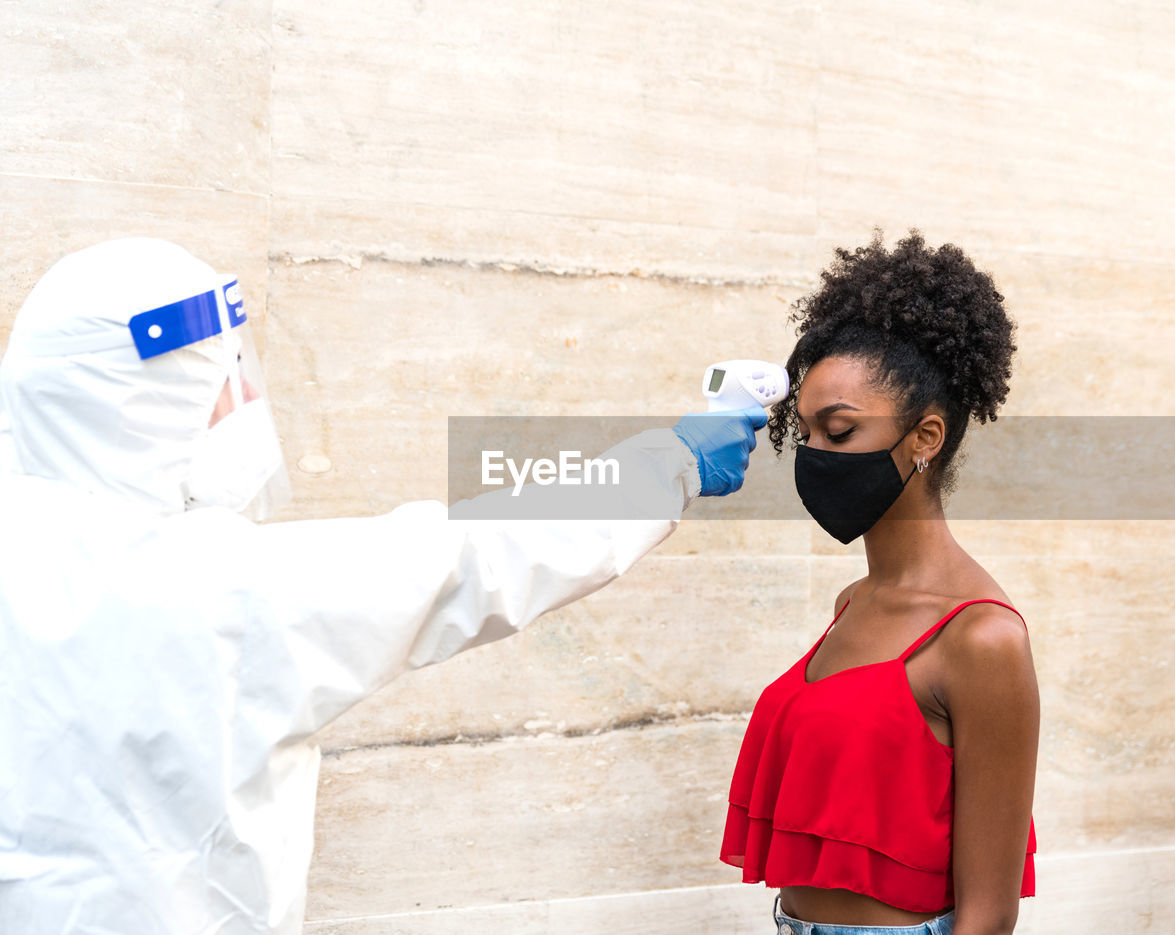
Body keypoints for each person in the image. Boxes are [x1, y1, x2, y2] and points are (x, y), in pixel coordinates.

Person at [0, 237, 767, 935]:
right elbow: (479, 553)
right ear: (142, 405)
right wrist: (677, 459)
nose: (237, 408)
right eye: (218, 383)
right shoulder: (221, 590)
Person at [719, 231, 1038, 935]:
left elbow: (988, 913)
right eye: (804, 432)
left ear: (925, 437)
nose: (814, 456)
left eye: (839, 430)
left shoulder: (982, 637)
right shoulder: (853, 605)